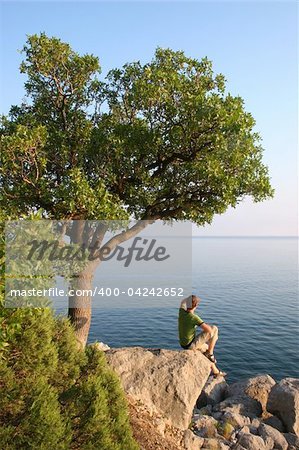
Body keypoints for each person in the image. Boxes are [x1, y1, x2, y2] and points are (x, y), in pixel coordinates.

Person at [178, 294, 226, 377]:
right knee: (214, 328)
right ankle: (210, 353)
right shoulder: (194, 317)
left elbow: (182, 301)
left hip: (184, 344)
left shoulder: (181, 312)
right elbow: (209, 331)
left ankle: (216, 371)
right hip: (190, 345)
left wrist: (190, 299)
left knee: (206, 348)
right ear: (196, 305)